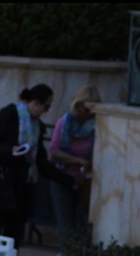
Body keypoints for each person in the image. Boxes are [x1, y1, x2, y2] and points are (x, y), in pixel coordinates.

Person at [0, 84, 72, 256]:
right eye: (45, 106)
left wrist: (68, 180)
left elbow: (41, 163)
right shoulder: (9, 115)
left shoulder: (37, 127)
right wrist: (12, 150)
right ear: (34, 102)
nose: (45, 111)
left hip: (20, 189)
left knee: (13, 236)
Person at [46, 85, 100, 239]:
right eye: (87, 109)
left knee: (83, 225)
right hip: (63, 178)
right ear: (79, 105)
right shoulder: (65, 122)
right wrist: (78, 161)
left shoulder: (97, 126)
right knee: (65, 227)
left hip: (85, 182)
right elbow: (54, 150)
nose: (89, 114)